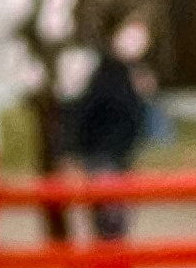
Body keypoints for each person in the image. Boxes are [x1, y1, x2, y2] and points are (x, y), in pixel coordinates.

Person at [60, 14, 159, 241]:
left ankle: (115, 265)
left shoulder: (134, 71)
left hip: (124, 152)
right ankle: (108, 266)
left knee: (121, 213)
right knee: (110, 215)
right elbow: (84, 110)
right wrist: (70, 149)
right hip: (102, 153)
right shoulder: (104, 71)